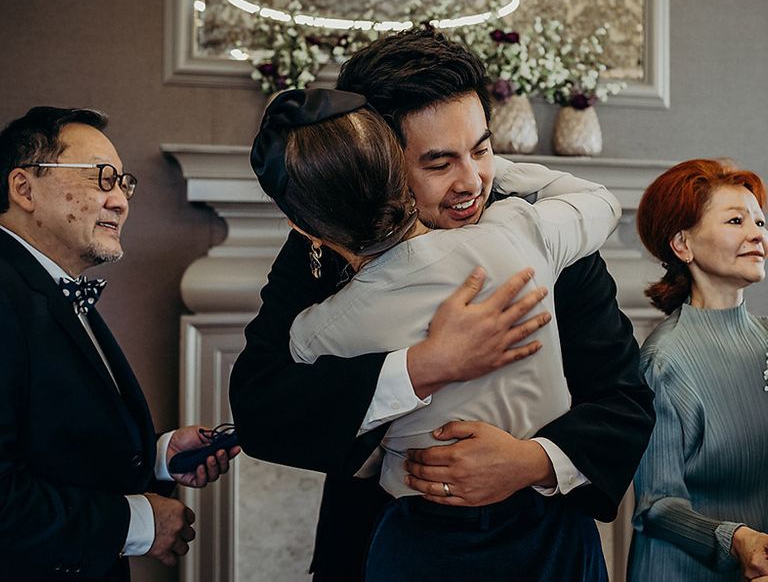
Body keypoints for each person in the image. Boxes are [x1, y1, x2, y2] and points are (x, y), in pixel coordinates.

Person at [229, 29, 655, 581]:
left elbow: (625, 401)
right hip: (382, 540)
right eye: (439, 163)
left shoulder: (533, 229)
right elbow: (261, 405)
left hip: (545, 542)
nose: (472, 182)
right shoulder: (322, 241)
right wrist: (424, 366)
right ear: (378, 157)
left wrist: (530, 463)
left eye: (481, 149)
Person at [0, 107, 239, 582]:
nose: (120, 202)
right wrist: (137, 522)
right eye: (101, 179)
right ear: (24, 188)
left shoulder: (49, 287)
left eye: (123, 183)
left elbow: (49, 445)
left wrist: (157, 456)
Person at [628, 159, 768, 582]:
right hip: (681, 571)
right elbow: (656, 505)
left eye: (760, 221)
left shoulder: (764, 341)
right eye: (735, 220)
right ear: (682, 244)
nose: (756, 233)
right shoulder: (665, 360)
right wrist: (737, 540)